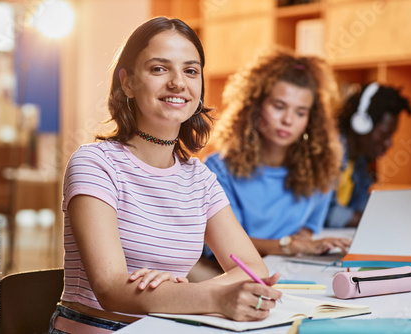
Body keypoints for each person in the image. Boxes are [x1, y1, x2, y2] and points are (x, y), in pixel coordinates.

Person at [49, 17, 282, 333]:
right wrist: (209, 296)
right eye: (159, 69)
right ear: (128, 82)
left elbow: (252, 268)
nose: (178, 83)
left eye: (190, 70)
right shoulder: (94, 164)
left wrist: (174, 291)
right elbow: (111, 290)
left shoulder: (199, 179)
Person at [202, 48, 351, 261]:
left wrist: (304, 244)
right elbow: (226, 246)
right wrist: (291, 246)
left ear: (311, 119)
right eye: (279, 106)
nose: (288, 120)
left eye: (300, 112)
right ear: (255, 106)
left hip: (287, 270)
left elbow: (307, 232)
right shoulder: (218, 169)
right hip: (234, 275)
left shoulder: (320, 168)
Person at [324, 82, 411, 228]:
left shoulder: (359, 161)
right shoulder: (327, 153)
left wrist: (410, 212)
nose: (389, 143)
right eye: (384, 134)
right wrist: (377, 218)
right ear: (361, 123)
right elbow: (325, 214)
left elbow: (360, 206)